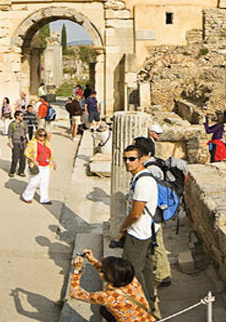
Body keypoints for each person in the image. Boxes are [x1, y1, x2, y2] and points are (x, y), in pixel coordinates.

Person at [116, 144, 159, 314]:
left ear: (141, 159)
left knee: (131, 269)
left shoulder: (142, 182)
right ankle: (150, 298)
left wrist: (122, 228)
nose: (127, 162)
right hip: (147, 231)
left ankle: (143, 306)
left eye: (132, 159)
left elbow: (135, 214)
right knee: (145, 267)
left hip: (138, 233)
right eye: (125, 158)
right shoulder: (140, 178)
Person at [69, 250, 156, 322]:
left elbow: (75, 293)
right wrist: (92, 260)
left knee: (103, 310)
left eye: (103, 271)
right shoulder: (132, 280)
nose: (100, 271)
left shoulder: (108, 297)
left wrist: (77, 270)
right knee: (104, 310)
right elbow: (110, 273)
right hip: (147, 318)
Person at [132, 136, 171, 289]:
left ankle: (163, 275)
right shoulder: (152, 164)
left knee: (157, 243)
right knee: (154, 243)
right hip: (152, 211)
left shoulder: (151, 169)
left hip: (153, 212)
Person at [21, 128, 55, 204]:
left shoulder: (47, 143)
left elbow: (50, 153)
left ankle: (44, 198)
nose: (42, 137)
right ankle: (27, 196)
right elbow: (26, 153)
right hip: (36, 165)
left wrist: (53, 162)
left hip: (45, 165)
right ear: (37, 135)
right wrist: (33, 160)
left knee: (45, 182)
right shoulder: (32, 143)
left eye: (44, 135)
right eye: (40, 135)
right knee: (34, 182)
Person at [7, 110, 28, 177]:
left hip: (23, 142)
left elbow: (26, 133)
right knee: (15, 158)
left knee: (23, 158)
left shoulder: (24, 123)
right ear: (17, 116)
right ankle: (12, 171)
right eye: (21, 115)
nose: (22, 117)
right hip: (15, 142)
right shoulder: (12, 124)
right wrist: (11, 144)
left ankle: (21, 171)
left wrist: (29, 141)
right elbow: (9, 135)